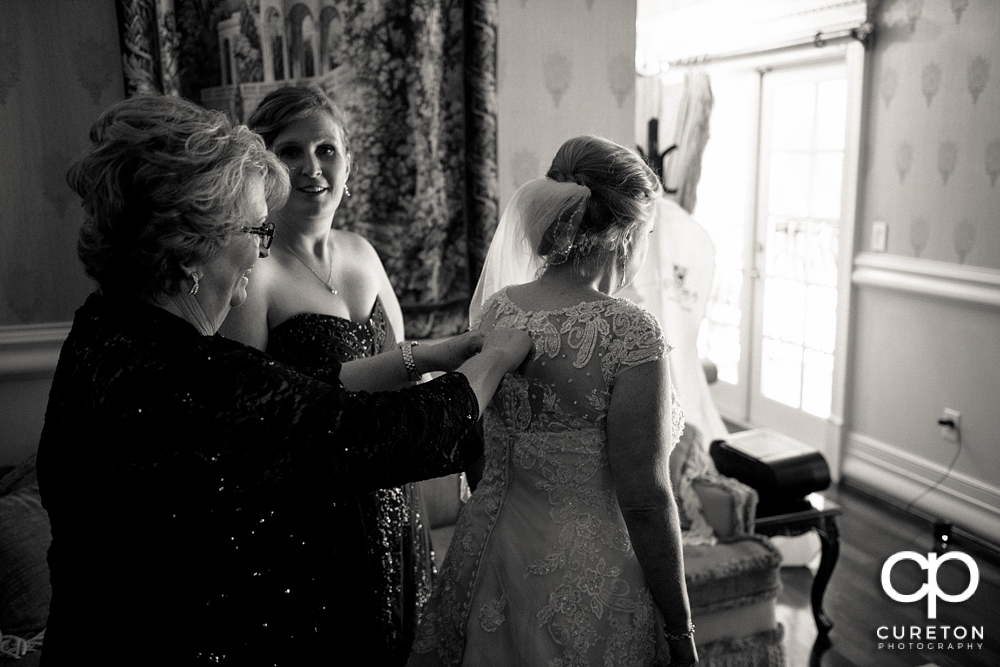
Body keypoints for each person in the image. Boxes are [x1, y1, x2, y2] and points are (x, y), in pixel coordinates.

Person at [35, 94, 532, 665]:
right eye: (253, 230)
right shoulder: (194, 379)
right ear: (191, 247)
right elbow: (381, 430)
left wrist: (430, 355)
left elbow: (300, 400)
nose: (258, 254)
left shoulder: (103, 331)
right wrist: (495, 358)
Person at [408, 136, 699, 666]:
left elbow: (476, 444)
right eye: (649, 232)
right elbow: (646, 501)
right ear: (627, 233)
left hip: (487, 552)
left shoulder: (500, 311)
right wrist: (681, 631)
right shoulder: (629, 333)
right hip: (589, 574)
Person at [218, 85, 434, 663]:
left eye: (326, 151)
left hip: (397, 500)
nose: (312, 168)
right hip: (312, 528)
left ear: (348, 163)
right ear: (263, 168)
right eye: (291, 152)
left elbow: (406, 366)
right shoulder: (254, 276)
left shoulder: (362, 252)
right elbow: (248, 424)